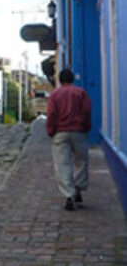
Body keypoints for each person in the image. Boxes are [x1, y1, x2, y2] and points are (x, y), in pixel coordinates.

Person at [46, 69, 91, 210]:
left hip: (61, 132)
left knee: (62, 164)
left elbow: (51, 113)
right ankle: (78, 188)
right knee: (81, 162)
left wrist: (50, 130)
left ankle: (68, 195)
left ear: (59, 80)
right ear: (72, 79)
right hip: (78, 131)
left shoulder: (55, 95)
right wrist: (86, 127)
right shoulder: (81, 93)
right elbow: (87, 111)